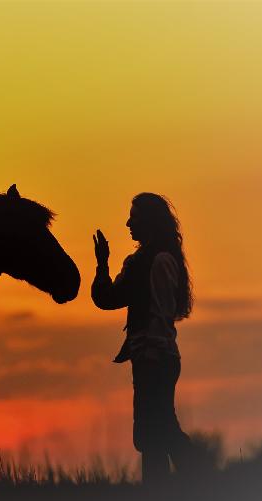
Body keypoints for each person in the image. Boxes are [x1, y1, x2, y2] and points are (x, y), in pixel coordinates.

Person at [91, 192, 196, 485]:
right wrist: (102, 264)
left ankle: (199, 481)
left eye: (134, 217)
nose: (127, 223)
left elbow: (162, 314)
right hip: (149, 356)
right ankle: (173, 491)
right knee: (155, 430)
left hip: (156, 357)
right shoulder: (140, 261)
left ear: (148, 221)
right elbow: (107, 298)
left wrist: (151, 350)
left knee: (158, 429)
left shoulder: (160, 260)